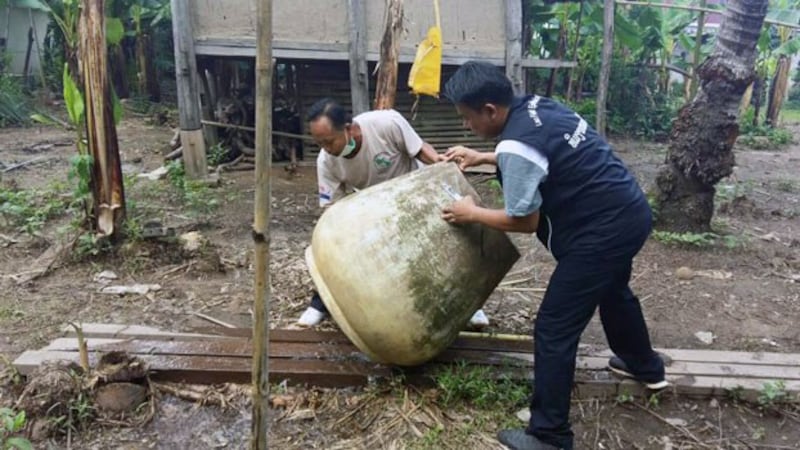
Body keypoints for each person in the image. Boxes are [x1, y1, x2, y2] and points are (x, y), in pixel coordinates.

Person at [439, 62, 667, 450]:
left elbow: (524, 221)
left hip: (601, 232)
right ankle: (645, 366)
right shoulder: (537, 106)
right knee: (613, 291)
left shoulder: (516, 145)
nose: (466, 126)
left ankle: (549, 436)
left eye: (468, 118)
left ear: (491, 110)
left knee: (554, 327)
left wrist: (470, 213)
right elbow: (542, 151)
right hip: (629, 211)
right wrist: (483, 156)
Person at [295, 98, 490, 330]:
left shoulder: (386, 123)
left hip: (416, 194)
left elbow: (419, 149)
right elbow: (332, 208)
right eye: (319, 143)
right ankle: (320, 303)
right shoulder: (326, 162)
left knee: (445, 248)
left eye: (329, 141)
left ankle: (470, 306)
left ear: (349, 128)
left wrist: (439, 164)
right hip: (373, 208)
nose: (325, 148)